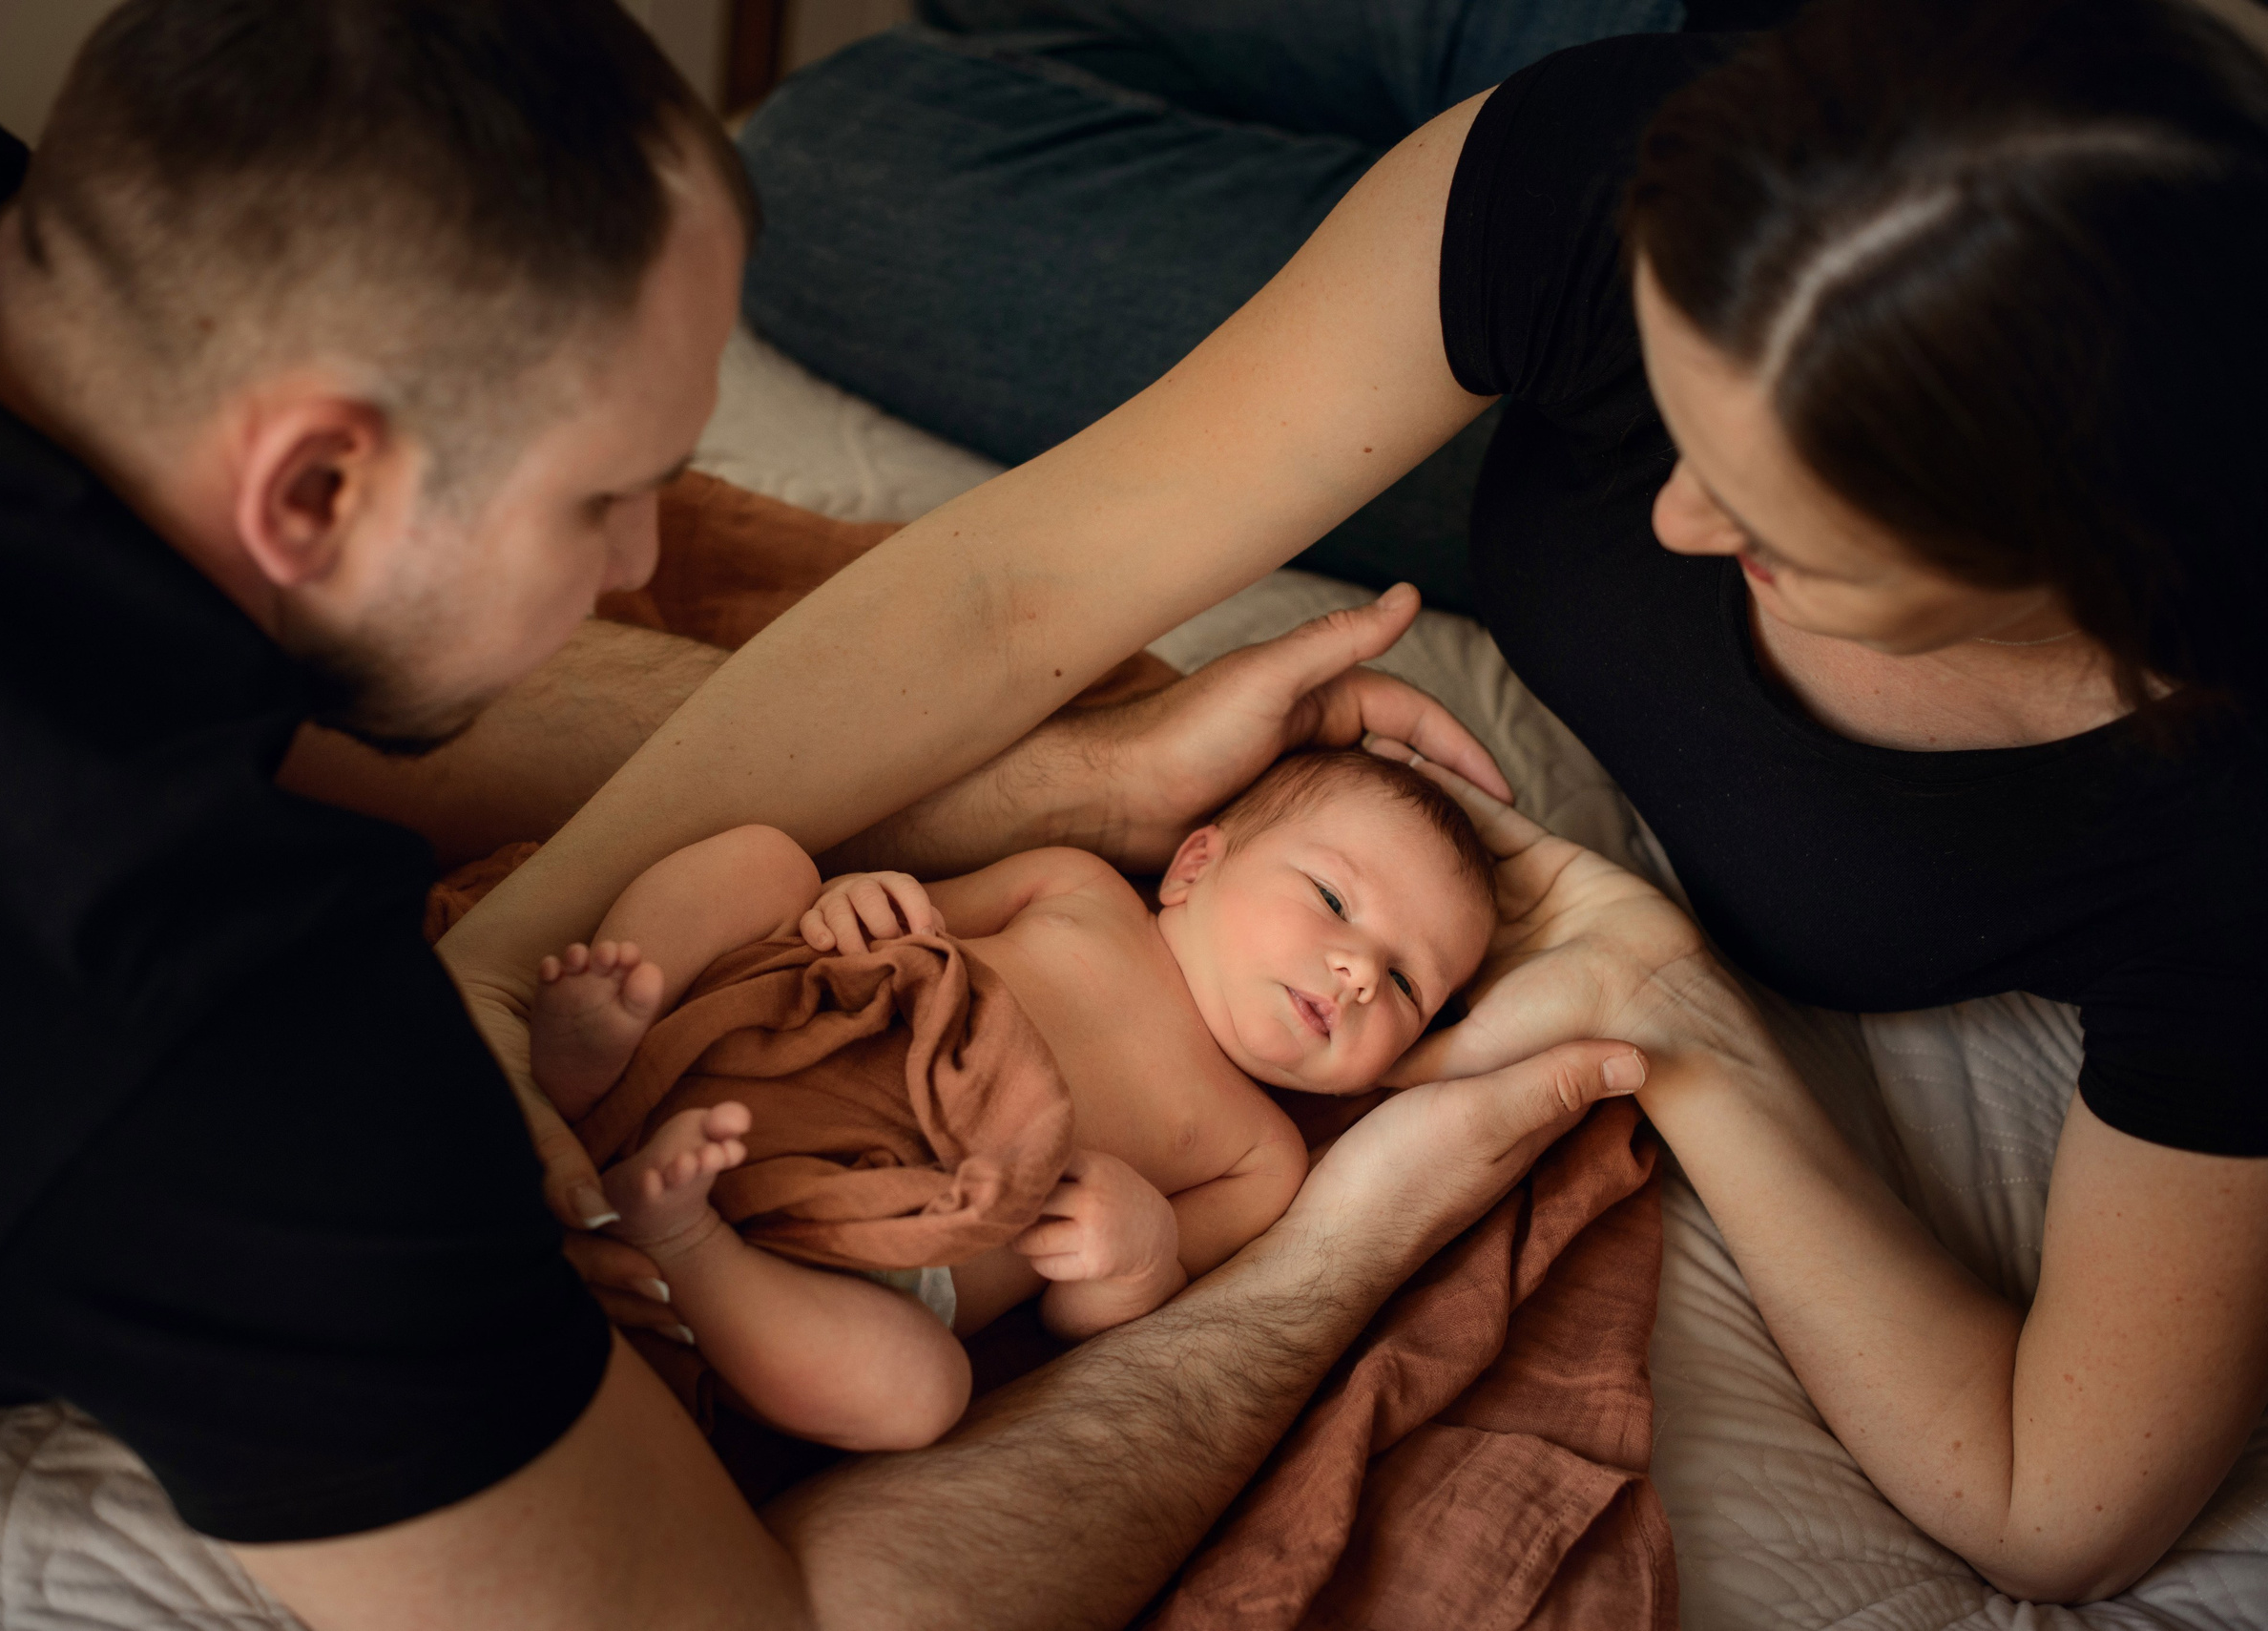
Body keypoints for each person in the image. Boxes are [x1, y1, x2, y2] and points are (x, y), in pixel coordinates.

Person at [0, 0, 1653, 1625]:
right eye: (608, 499)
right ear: (312, 482)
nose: (650, 561)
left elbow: (266, 688)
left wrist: (1061, 779)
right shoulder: (214, 1055)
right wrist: (1348, 1241)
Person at [439, 0, 2268, 1605]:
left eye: (1773, 532)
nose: (1673, 525)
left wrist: (1685, 1028)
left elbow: (2055, 1503)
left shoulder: (2224, 820)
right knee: (847, 143)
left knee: (856, 166)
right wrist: (512, 970)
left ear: (2084, 571)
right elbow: (1013, 599)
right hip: (1591, 86)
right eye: (1682, 422)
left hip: (1558, 354)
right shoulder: (1631, 194)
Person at [526, 748, 1496, 1452]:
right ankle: (606, 1043)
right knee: (763, 861)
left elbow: (1100, 1317)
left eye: (1408, 984)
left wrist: (1135, 1249)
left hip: (864, 1246)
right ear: (1197, 865)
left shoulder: (1261, 1155)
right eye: (1334, 900)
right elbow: (914, 911)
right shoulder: (1079, 886)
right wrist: (852, 900)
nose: (1357, 970)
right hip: (792, 1031)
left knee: (923, 1391)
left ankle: (684, 1243)